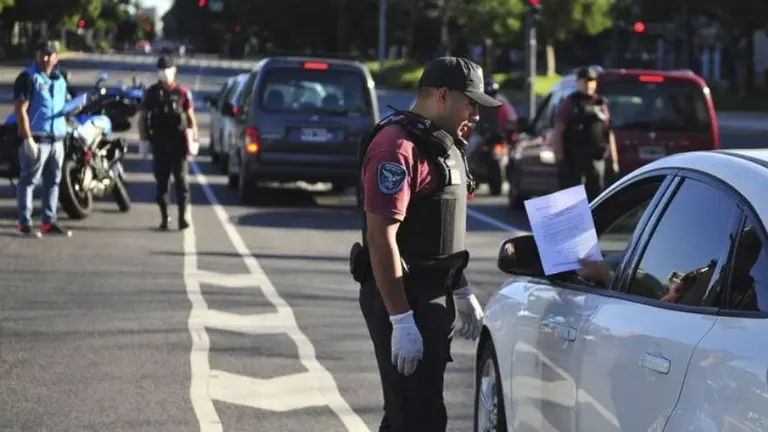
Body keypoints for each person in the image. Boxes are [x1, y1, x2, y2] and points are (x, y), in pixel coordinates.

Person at [351, 57, 496, 431]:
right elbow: (381, 235)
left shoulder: (443, 144)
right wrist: (401, 319)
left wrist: (460, 289)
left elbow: (438, 229)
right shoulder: (396, 147)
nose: (477, 114)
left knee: (426, 411)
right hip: (402, 295)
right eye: (471, 102)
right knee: (410, 417)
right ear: (443, 96)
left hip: (431, 294)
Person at [13, 39, 71, 237]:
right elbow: (21, 110)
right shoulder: (28, 77)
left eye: (49, 54)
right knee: (29, 181)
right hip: (37, 139)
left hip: (57, 139)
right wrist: (27, 138)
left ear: (56, 57)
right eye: (41, 53)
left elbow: (64, 103)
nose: (45, 58)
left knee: (54, 181)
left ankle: (48, 221)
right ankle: (24, 224)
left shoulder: (60, 79)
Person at [138, 55, 198, 231]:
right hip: (159, 143)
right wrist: (143, 140)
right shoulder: (152, 93)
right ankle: (165, 218)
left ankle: (182, 217)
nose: (164, 73)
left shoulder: (182, 92)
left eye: (167, 69)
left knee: (181, 182)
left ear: (174, 71)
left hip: (178, 144)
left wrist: (194, 136)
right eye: (161, 70)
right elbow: (142, 117)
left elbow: (190, 115)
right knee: (161, 184)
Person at [552, 67, 619, 201]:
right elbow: (559, 130)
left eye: (592, 81)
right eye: (585, 81)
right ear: (578, 82)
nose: (589, 84)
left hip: (596, 158)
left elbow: (608, 132)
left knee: (596, 196)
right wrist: (559, 157)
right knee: (574, 198)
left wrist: (614, 160)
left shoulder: (601, 103)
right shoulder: (570, 103)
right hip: (575, 159)